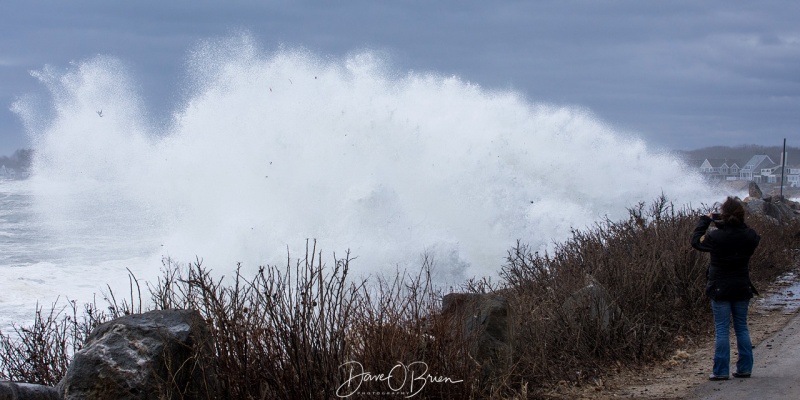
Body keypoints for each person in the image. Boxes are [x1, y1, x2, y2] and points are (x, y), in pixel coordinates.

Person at [691, 196, 761, 381]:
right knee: (741, 328)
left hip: (720, 287)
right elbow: (748, 234)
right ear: (742, 215)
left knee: (722, 330)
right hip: (741, 286)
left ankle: (721, 371)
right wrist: (729, 223)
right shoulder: (749, 236)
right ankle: (745, 368)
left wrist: (706, 220)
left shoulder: (716, 236)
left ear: (724, 215)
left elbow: (696, 241)